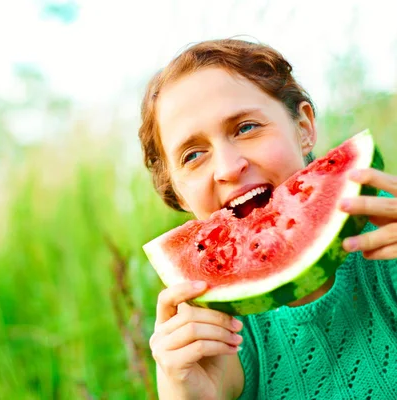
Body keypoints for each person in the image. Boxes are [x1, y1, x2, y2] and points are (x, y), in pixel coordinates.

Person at [138, 38, 397, 399]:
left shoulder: (389, 236)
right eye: (194, 154)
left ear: (303, 127)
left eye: (245, 128)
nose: (228, 168)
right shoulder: (214, 332)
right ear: (178, 194)